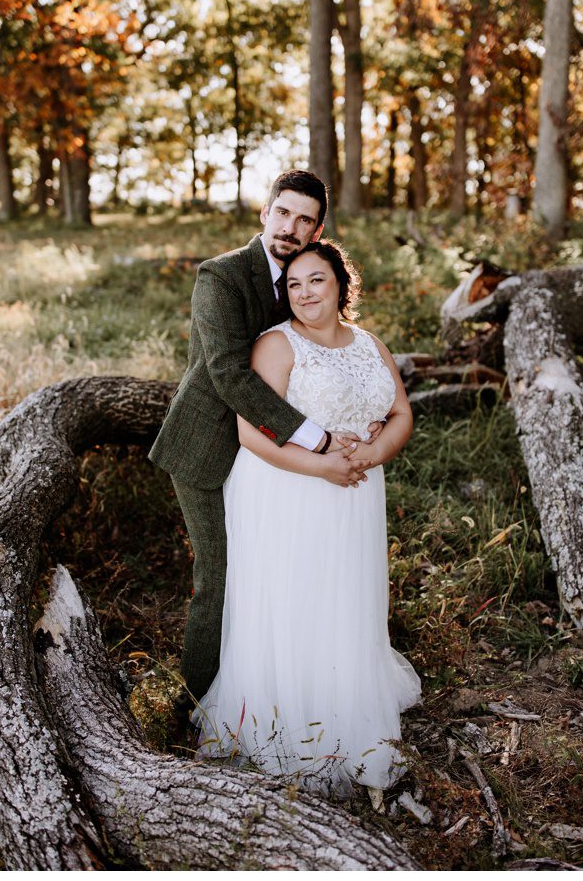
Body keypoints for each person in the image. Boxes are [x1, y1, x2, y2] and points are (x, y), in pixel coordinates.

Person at [194, 240, 421, 798]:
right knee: (294, 593)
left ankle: (347, 699)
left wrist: (371, 454)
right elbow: (251, 434)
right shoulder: (276, 345)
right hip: (287, 486)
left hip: (356, 488)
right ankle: (290, 716)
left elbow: (400, 413)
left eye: (315, 280)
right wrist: (322, 467)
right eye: (293, 285)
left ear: (341, 284)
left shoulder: (370, 344)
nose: (304, 293)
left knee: (346, 594)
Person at [149, 170, 377, 712]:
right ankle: (196, 706)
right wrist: (319, 441)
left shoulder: (306, 277)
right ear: (265, 212)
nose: (290, 227)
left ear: (318, 227)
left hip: (273, 464)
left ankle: (274, 690)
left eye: (304, 219)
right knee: (221, 577)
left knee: (270, 573)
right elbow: (228, 374)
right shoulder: (221, 277)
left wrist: (362, 418)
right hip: (209, 448)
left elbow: (320, 356)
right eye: (283, 212)